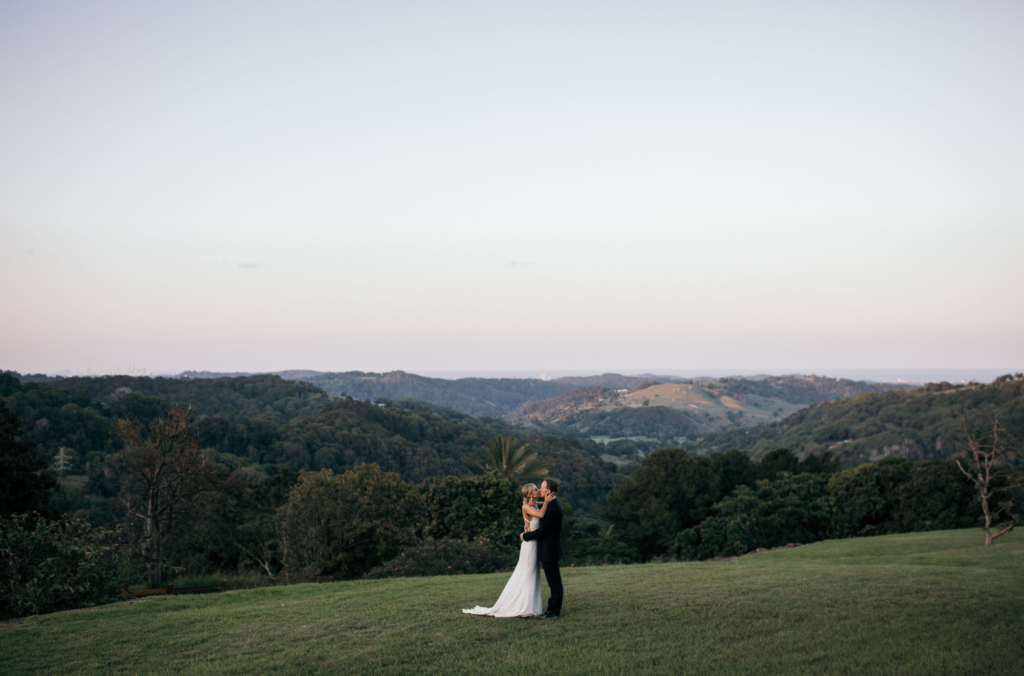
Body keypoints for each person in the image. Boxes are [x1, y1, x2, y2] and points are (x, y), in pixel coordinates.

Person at [462, 483, 554, 617]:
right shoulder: (526, 507)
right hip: (529, 546)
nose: (538, 490)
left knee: (533, 574)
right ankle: (525, 607)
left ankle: (529, 604)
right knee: (528, 573)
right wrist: (546, 502)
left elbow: (542, 506)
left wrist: (547, 500)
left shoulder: (534, 504)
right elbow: (540, 515)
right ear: (529, 494)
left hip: (535, 544)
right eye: (535, 490)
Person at [522, 478, 563, 618]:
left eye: (542, 488)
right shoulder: (548, 505)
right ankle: (551, 609)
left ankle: (554, 611)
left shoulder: (552, 509)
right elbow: (533, 508)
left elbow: (542, 532)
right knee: (553, 582)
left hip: (549, 550)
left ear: (549, 492)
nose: (540, 490)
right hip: (545, 549)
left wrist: (524, 536)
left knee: (554, 583)